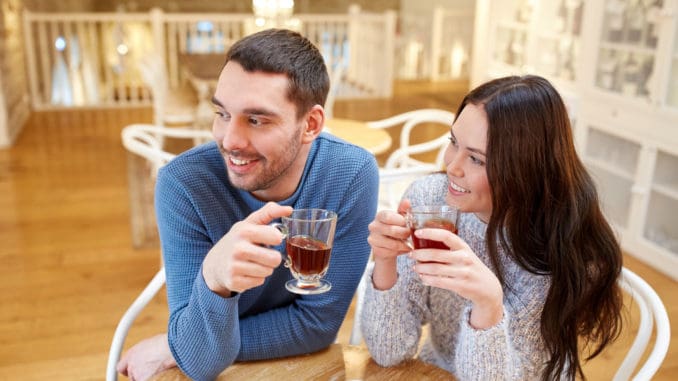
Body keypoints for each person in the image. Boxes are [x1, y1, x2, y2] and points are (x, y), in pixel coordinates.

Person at [117, 29, 379, 381]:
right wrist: (214, 279)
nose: (230, 139)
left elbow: (316, 326)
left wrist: (175, 344)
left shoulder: (351, 174)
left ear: (311, 124)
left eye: (256, 120)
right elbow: (199, 362)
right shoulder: (183, 185)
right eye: (222, 113)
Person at [361, 75, 623, 380]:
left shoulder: (554, 248)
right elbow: (388, 351)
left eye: (476, 159)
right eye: (453, 143)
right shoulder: (430, 200)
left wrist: (488, 305)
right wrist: (385, 262)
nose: (452, 167)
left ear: (523, 169)